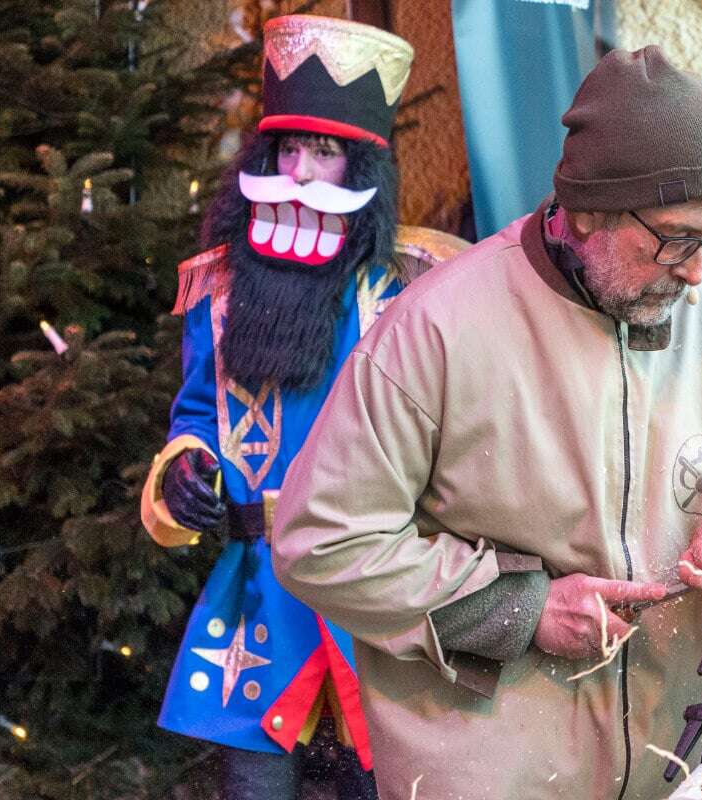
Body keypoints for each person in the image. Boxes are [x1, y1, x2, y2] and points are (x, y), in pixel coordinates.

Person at [271, 46, 702, 800]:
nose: (697, 272)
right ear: (586, 209)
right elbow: (320, 540)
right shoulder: (435, 330)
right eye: (675, 239)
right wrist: (519, 609)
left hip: (668, 768)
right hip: (487, 775)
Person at [139, 14, 420, 800]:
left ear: (360, 168)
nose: (296, 172)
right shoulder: (219, 288)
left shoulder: (406, 292)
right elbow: (196, 413)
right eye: (286, 150)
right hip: (260, 599)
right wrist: (182, 470)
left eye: (322, 152)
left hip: (372, 600)